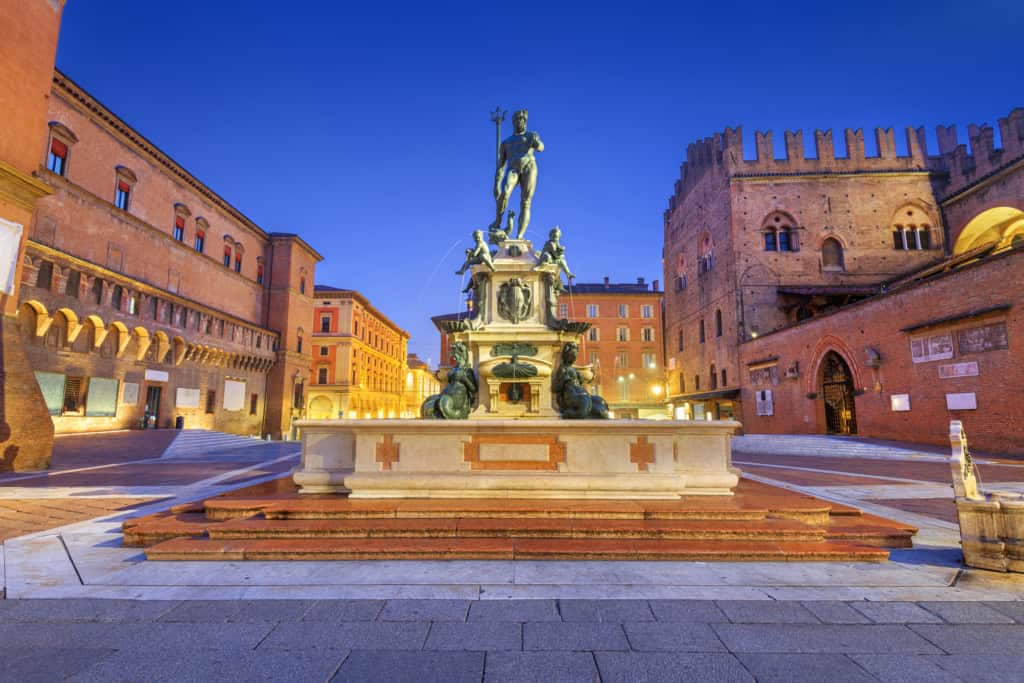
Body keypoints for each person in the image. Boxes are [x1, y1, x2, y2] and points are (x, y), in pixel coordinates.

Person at [493, 109, 543, 239]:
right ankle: (498, 221)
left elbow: (541, 148)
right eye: (518, 119)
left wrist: (537, 142)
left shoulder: (531, 136)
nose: (521, 122)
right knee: (504, 192)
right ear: (514, 122)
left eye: (523, 120)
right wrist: (496, 184)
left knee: (526, 202)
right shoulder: (506, 142)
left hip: (529, 166)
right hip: (513, 169)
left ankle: (520, 236)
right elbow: (500, 166)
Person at [552, 342, 609, 419]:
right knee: (585, 410)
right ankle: (571, 414)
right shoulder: (563, 369)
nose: (574, 357)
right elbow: (555, 387)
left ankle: (602, 416)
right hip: (573, 397)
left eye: (575, 355)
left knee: (600, 401)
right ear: (566, 355)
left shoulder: (573, 369)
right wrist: (565, 380)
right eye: (572, 355)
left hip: (582, 395)